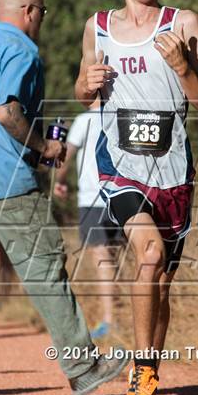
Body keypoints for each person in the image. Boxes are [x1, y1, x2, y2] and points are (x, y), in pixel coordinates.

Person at [0, 0, 128, 395]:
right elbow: (8, 112)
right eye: (42, 12)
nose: (42, 20)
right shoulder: (21, 50)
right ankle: (83, 367)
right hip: (9, 183)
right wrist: (43, 145)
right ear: (29, 12)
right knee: (45, 268)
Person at [75, 0, 198, 395]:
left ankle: (145, 374)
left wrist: (183, 68)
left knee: (161, 286)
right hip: (120, 168)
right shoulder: (99, 26)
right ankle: (143, 377)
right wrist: (84, 86)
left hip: (173, 171)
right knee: (149, 256)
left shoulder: (185, 24)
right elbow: (84, 90)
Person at [54, 96, 125, 338]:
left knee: (102, 258)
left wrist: (60, 181)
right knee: (118, 258)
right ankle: (123, 318)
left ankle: (111, 321)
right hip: (125, 195)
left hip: (93, 197)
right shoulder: (121, 116)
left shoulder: (84, 120)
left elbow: (66, 155)